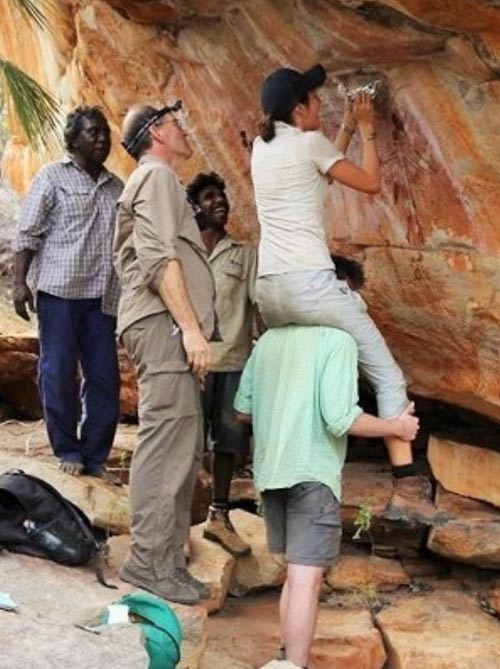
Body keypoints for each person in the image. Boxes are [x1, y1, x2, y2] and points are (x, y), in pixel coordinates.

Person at [251, 64, 441, 525]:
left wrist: (347, 126)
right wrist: (370, 134)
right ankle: (408, 488)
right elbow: (369, 182)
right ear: (299, 109)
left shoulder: (263, 147)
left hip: (270, 292)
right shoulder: (308, 143)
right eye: (315, 100)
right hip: (311, 286)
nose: (321, 104)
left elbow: (319, 170)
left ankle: (296, 467)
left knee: (314, 368)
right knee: (389, 376)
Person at [234, 323, 419, 669]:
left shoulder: (268, 341)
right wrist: (397, 427)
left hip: (272, 471)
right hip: (312, 472)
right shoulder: (338, 339)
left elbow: (242, 410)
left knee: (295, 574)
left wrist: (284, 412)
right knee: (308, 580)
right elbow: (339, 419)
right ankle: (294, 665)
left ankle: (285, 658)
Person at [114, 102, 216, 605]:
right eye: (178, 122)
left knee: (181, 439)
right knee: (167, 438)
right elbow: (158, 258)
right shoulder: (155, 178)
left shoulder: (160, 181)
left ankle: (166, 560)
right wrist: (191, 330)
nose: (185, 128)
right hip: (163, 324)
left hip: (162, 324)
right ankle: (150, 563)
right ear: (156, 132)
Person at [13, 106, 123, 480]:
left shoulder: (116, 188)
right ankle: (67, 448)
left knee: (105, 377)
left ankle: (95, 455)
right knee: (58, 372)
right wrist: (18, 283)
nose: (101, 139)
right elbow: (27, 234)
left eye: (105, 133)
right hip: (57, 294)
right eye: (93, 132)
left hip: (101, 300)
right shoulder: (51, 177)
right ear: (73, 140)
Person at [186, 171, 257, 558]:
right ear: (195, 207)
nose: (220, 202)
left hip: (232, 363)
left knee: (228, 443)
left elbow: (258, 306)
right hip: (190, 363)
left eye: (223, 196)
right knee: (185, 443)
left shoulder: (244, 254)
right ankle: (180, 522)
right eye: (211, 197)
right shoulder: (184, 251)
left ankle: (219, 517)